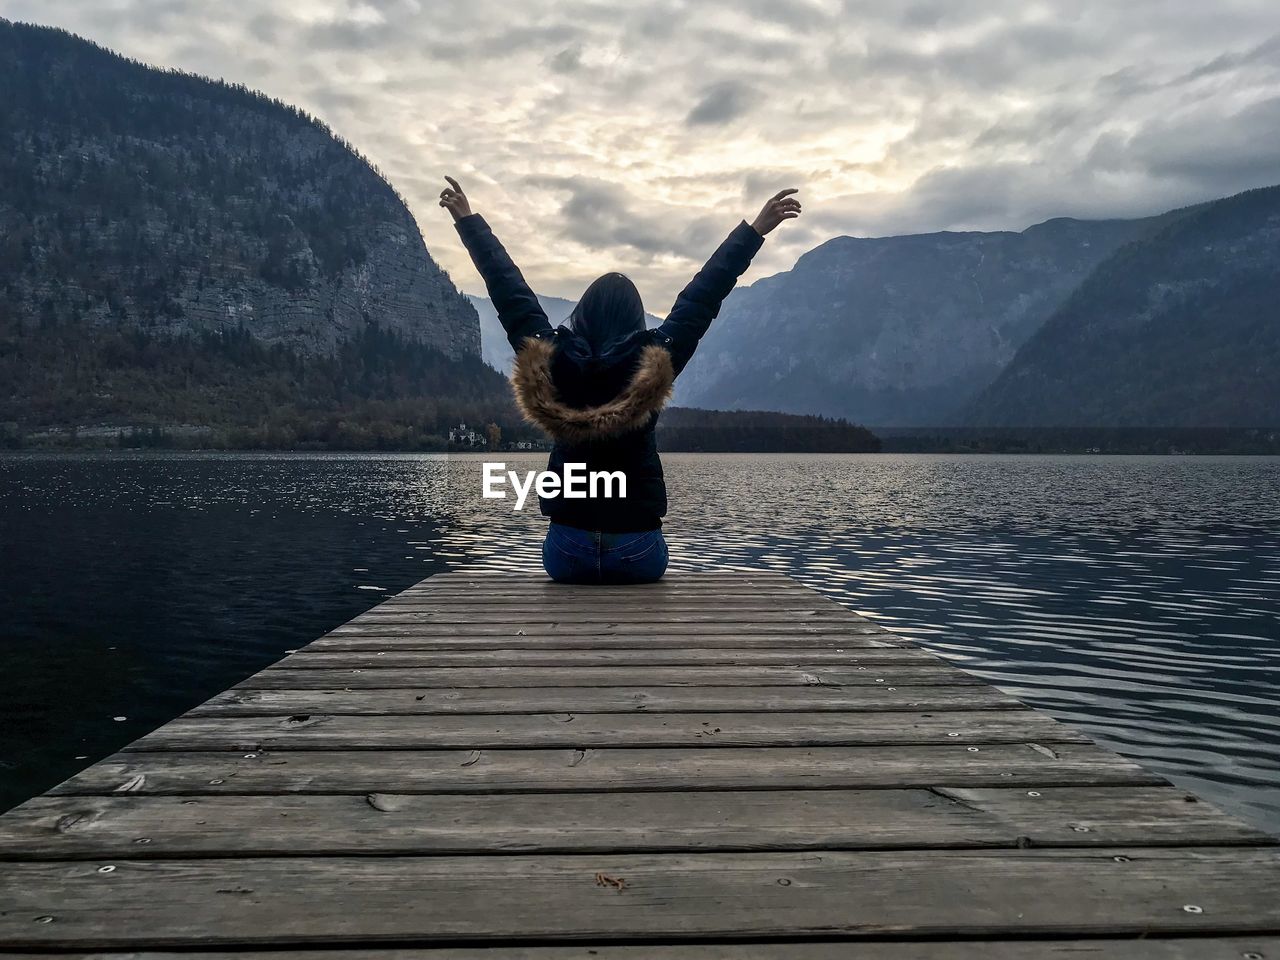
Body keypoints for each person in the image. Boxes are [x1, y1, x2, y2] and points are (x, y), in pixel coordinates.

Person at [442, 175, 801, 584]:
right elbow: (703, 294)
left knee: (566, 545)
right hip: (638, 551)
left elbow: (509, 291)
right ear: (635, 316)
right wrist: (754, 231)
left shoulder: (549, 358)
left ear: (583, 312)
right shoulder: (655, 361)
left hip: (567, 553)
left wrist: (469, 222)